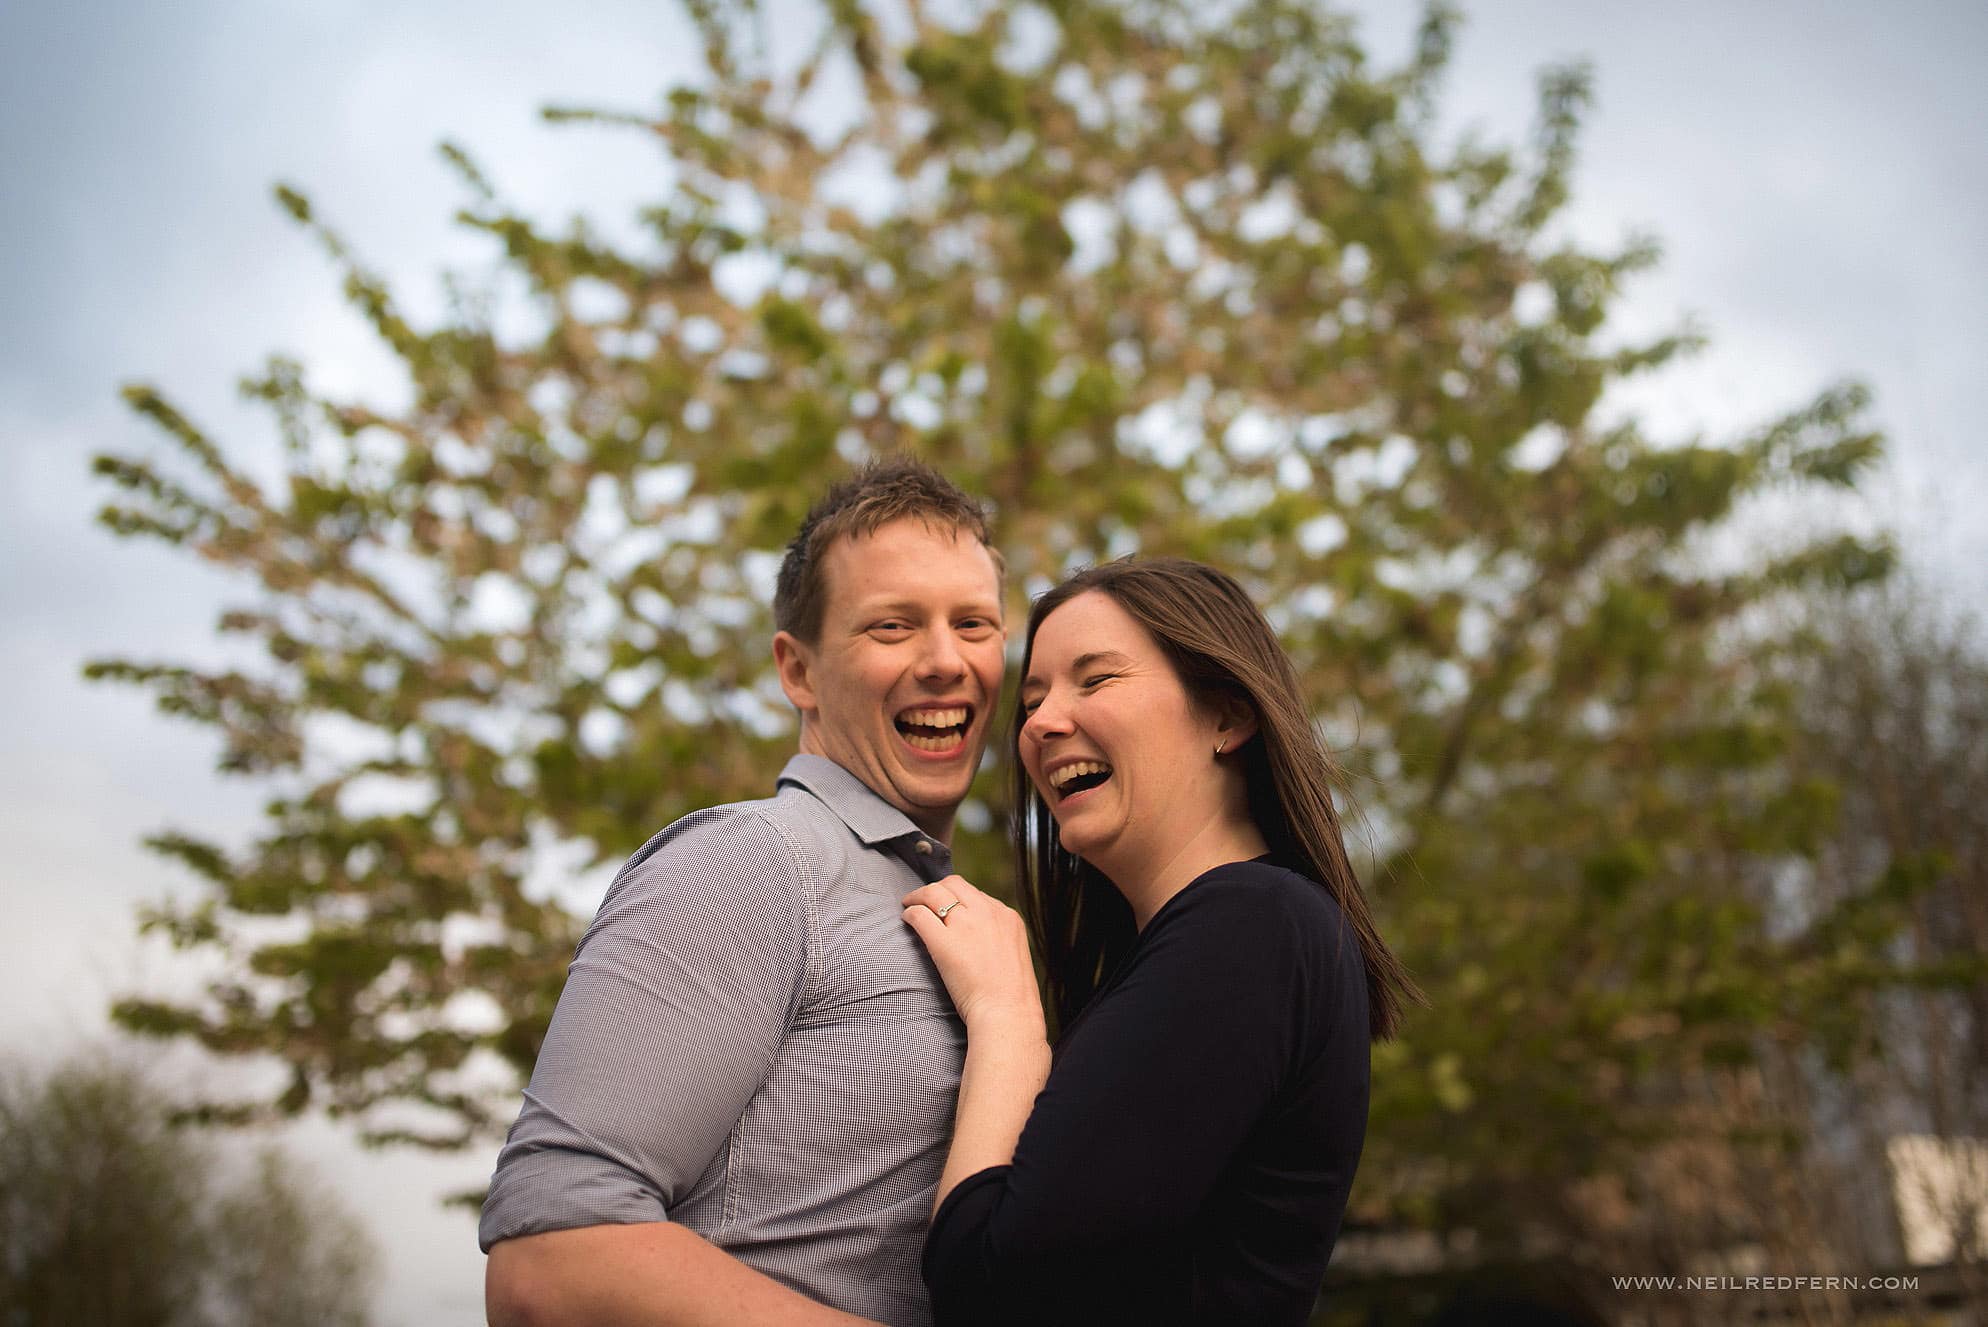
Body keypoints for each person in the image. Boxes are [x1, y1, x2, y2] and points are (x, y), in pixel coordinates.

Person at [481, 459, 1007, 1327]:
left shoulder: (958, 913)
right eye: (892, 626)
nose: (946, 660)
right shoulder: (754, 860)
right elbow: (549, 1259)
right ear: (797, 671)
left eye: (974, 623)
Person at [900, 557, 1419, 1325]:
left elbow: (993, 1287)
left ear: (1226, 716)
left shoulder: (1252, 925)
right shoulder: (1230, 938)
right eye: (1033, 698)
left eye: (1095, 679)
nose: (1039, 722)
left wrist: (1005, 1016)